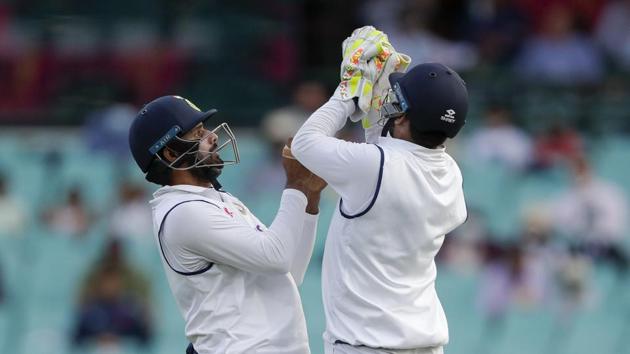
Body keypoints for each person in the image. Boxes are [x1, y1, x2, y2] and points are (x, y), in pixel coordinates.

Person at [292, 61, 468, 354]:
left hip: (365, 345)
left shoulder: (375, 167)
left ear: (401, 119)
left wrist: (347, 94)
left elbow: (305, 143)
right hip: (427, 344)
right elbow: (393, 153)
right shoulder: (450, 172)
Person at [127, 95, 325, 354]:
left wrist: (309, 203)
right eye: (198, 132)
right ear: (170, 153)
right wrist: (295, 186)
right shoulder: (184, 213)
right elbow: (277, 257)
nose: (212, 136)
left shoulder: (215, 200)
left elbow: (287, 274)